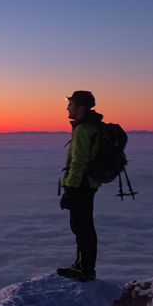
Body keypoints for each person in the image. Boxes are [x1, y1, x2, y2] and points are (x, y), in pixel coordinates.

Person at [56, 90, 102, 281]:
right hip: (87, 183)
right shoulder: (90, 126)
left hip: (81, 184)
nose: (68, 108)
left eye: (71, 104)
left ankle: (84, 269)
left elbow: (78, 162)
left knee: (81, 227)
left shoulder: (83, 129)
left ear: (80, 107)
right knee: (85, 226)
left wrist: (70, 190)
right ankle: (83, 266)